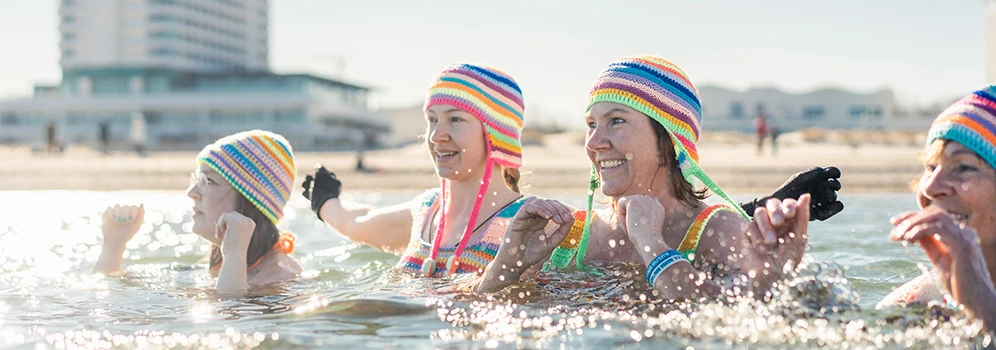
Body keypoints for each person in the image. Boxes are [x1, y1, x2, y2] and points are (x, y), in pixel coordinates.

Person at [477, 56, 813, 299]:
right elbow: (477, 316)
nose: (594, 143)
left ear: (670, 143)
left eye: (617, 121)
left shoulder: (718, 231)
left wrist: (652, 244)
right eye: (591, 125)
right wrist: (507, 264)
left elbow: (737, 322)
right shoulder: (568, 237)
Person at [302, 63, 571, 277]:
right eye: (432, 120)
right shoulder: (426, 211)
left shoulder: (534, 222)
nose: (436, 136)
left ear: (497, 133)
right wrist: (325, 200)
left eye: (455, 119)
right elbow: (357, 222)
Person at [93, 130, 302, 293]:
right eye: (196, 180)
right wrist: (114, 246)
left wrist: (235, 255)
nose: (192, 192)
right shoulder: (219, 266)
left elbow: (230, 324)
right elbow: (105, 299)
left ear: (251, 199)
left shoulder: (280, 275)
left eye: (208, 181)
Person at [878, 85, 996, 330]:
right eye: (931, 167)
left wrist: (983, 314)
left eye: (963, 167)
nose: (930, 187)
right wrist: (779, 277)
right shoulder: (917, 302)